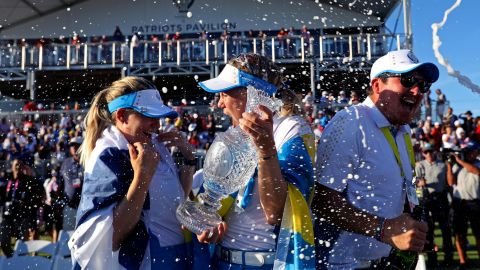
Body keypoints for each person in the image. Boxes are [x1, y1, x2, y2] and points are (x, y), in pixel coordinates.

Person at [312, 49, 438, 269]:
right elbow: (322, 200)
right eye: (407, 80)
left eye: (424, 85)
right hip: (340, 263)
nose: (417, 91)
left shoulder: (403, 130)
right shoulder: (351, 122)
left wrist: (412, 229)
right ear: (378, 86)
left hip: (381, 261)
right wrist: (384, 229)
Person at [196, 53, 316, 269]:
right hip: (224, 262)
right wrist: (209, 222)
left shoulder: (290, 129)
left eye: (224, 94)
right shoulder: (237, 130)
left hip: (267, 263)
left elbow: (275, 213)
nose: (219, 104)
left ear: (251, 93)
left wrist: (266, 149)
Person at [68, 77, 196, 269]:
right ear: (121, 116)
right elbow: (111, 236)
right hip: (144, 260)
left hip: (174, 255)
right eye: (149, 116)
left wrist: (189, 160)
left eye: (158, 117)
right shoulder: (109, 154)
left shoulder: (151, 144)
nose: (157, 125)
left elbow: (177, 201)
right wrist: (142, 178)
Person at [415, 143, 453, 267]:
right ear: (423, 153)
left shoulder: (442, 165)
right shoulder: (419, 165)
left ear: (434, 152)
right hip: (427, 199)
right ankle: (432, 260)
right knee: (429, 231)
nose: (429, 154)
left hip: (441, 199)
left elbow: (450, 183)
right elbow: (412, 181)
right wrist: (418, 182)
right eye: (426, 152)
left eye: (431, 151)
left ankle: (448, 259)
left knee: (445, 231)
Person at [446, 142, 480, 269]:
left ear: (476, 152)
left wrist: (459, 161)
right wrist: (449, 166)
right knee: (459, 234)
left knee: (478, 233)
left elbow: (475, 171)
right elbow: (450, 182)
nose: (470, 153)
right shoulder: (457, 166)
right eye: (468, 151)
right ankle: (463, 262)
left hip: (475, 203)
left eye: (472, 151)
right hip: (459, 203)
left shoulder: (477, 163)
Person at [0, 158, 44, 257]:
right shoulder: (8, 180)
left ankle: (21, 263)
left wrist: (27, 204)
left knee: (21, 246)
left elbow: (39, 192)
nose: (18, 167)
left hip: (22, 216)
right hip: (7, 216)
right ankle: (11, 259)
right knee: (3, 242)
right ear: (12, 167)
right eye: (16, 164)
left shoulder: (28, 180)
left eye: (20, 165)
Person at [59, 136, 84, 230]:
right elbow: (61, 182)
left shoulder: (88, 161)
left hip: (84, 206)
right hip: (69, 205)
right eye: (72, 146)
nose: (73, 148)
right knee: (68, 234)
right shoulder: (66, 163)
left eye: (76, 145)